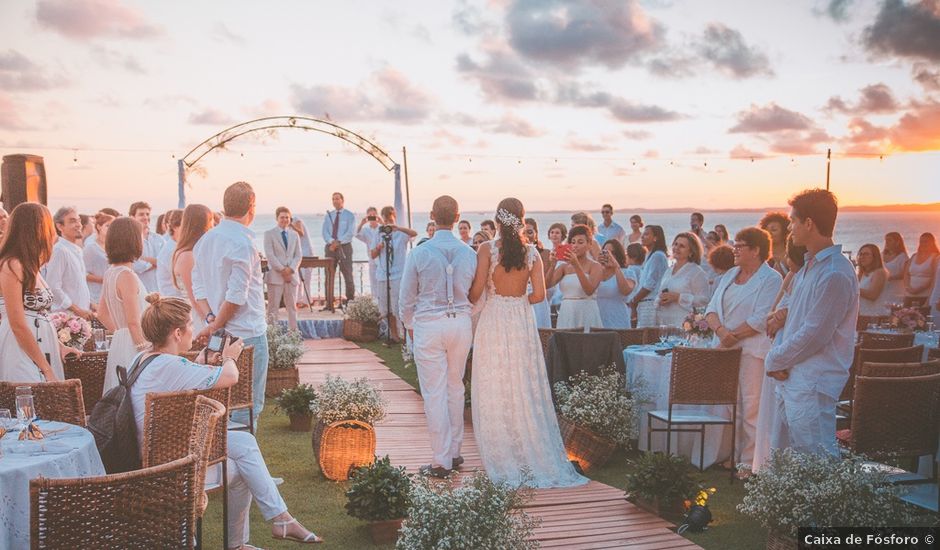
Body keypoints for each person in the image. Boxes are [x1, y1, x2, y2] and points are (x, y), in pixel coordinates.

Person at [128, 295, 322, 545]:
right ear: (177, 333)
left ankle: (260, 531)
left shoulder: (145, 358)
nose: (193, 329)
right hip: (168, 469)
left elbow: (176, 377)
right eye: (190, 324)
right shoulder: (168, 365)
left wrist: (200, 363)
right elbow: (230, 377)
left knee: (242, 459)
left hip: (155, 454)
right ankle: (274, 523)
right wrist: (230, 356)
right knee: (245, 449)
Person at [469, 198, 588, 488]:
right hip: (520, 320)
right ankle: (527, 445)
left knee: (495, 382)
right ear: (522, 220)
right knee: (522, 383)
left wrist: (488, 293)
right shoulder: (532, 252)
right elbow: (539, 296)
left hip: (495, 319)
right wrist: (518, 299)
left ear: (497, 220)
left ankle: (500, 447)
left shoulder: (486, 249)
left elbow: (474, 294)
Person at [764, 189, 858, 457]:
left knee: (818, 459)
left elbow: (815, 334)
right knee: (792, 459)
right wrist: (783, 313)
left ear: (809, 223)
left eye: (793, 220)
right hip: (794, 378)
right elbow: (799, 313)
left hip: (813, 380)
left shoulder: (834, 273)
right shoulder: (809, 267)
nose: (790, 228)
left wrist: (775, 360)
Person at [399, 195, 477, 478]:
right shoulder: (470, 253)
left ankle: (442, 461)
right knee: (455, 386)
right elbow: (475, 295)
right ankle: (454, 452)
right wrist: (466, 315)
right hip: (460, 326)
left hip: (429, 325)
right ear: (458, 218)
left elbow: (406, 297)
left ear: (432, 215)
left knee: (434, 392)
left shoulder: (419, 253)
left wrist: (409, 325)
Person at [193, 182, 269, 430]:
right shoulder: (243, 243)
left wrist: (210, 322)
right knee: (247, 408)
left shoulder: (205, 240)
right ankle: (246, 467)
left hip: (218, 334)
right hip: (247, 336)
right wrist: (215, 324)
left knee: (222, 405)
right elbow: (236, 296)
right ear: (251, 205)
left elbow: (199, 289)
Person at [705, 227, 782, 472]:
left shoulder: (771, 279)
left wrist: (732, 336)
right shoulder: (729, 275)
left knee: (751, 406)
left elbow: (761, 317)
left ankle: (750, 462)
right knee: (730, 405)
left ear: (756, 250)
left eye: (739, 246)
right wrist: (720, 332)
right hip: (724, 348)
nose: (734, 250)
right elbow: (711, 308)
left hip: (752, 351)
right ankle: (732, 455)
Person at [0, 203, 81, 381]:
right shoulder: (12, 265)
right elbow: (18, 324)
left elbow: (41, 314)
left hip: (44, 346)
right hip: (20, 350)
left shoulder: (31, 266)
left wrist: (60, 346)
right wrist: (45, 368)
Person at [754, 237, 806, 472]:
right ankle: (772, 461)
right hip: (779, 340)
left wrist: (784, 315)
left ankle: (787, 466)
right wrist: (777, 316)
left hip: (792, 343)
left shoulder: (809, 277)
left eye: (788, 255)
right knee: (775, 407)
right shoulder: (791, 276)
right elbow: (772, 310)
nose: (785, 259)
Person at [98, 217, 150, 394]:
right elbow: (133, 321)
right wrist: (145, 350)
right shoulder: (127, 276)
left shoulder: (110, 273)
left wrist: (120, 332)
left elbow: (102, 314)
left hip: (121, 342)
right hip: (134, 344)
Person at [371, 206, 416, 341]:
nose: (388, 223)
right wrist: (378, 248)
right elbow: (372, 254)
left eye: (390, 219)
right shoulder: (379, 233)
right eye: (386, 220)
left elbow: (414, 233)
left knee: (399, 305)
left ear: (394, 217)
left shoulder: (401, 233)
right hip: (383, 274)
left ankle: (405, 335)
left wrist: (398, 228)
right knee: (386, 308)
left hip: (398, 274)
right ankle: (394, 335)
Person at [547, 224, 603, 329]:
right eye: (573, 242)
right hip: (567, 311)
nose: (575, 246)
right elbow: (547, 285)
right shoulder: (564, 267)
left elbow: (589, 290)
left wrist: (576, 265)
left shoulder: (595, 266)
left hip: (587, 310)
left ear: (589, 244)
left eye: (580, 242)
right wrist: (552, 265)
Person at [45, 206, 93, 319]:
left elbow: (77, 287)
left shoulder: (77, 250)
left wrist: (90, 304)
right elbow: (53, 287)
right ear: (60, 226)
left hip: (80, 317)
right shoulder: (59, 250)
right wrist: (77, 309)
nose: (78, 225)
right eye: (72, 221)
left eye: (78, 220)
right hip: (66, 319)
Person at [173, 204, 215, 333]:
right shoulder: (187, 256)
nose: (213, 225)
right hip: (197, 318)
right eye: (211, 221)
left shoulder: (193, 252)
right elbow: (194, 297)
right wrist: (210, 325)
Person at [656, 232, 709, 327]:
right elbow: (659, 294)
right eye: (675, 244)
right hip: (665, 324)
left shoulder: (696, 272)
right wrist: (659, 300)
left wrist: (678, 297)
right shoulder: (669, 270)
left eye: (682, 246)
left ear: (691, 251)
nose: (676, 248)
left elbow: (704, 301)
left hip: (685, 325)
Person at [264, 206, 302, 331]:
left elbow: (298, 255)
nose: (285, 220)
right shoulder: (269, 234)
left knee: (292, 307)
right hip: (275, 276)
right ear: (277, 218)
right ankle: (272, 334)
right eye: (282, 217)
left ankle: (293, 333)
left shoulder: (295, 235)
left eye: (287, 217)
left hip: (291, 276)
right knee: (273, 307)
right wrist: (282, 270)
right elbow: (270, 255)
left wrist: (290, 269)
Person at [630, 225, 669, 328]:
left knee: (648, 338)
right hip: (645, 304)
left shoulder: (658, 256)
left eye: (646, 234)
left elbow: (649, 284)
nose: (642, 236)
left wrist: (634, 301)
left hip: (650, 304)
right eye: (643, 234)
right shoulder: (650, 255)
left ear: (655, 238)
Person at [322, 192, 356, 304]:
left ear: (342, 200)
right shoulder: (329, 215)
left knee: (347, 274)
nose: (335, 201)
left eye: (337, 199)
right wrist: (331, 242)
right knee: (329, 275)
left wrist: (338, 242)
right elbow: (325, 232)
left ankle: (350, 300)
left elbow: (350, 232)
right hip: (330, 248)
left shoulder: (350, 215)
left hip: (344, 247)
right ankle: (329, 301)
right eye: (333, 199)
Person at [595, 240, 636, 329]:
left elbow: (625, 291)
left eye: (612, 253)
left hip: (617, 318)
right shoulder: (596, 271)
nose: (608, 255)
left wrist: (616, 267)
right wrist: (596, 265)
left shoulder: (627, 272)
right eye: (605, 252)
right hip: (596, 318)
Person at [128, 202, 163, 292]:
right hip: (140, 292)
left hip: (160, 291)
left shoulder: (158, 239)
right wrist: (156, 263)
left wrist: (143, 258)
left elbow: (166, 263)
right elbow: (136, 267)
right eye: (141, 214)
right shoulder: (128, 241)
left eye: (147, 214)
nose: (146, 217)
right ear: (132, 217)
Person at [524, 218, 552, 329]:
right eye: (523, 232)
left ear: (536, 234)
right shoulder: (514, 256)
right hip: (521, 298)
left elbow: (547, 283)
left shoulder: (545, 254)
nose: (526, 235)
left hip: (538, 298)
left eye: (530, 232)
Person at [84, 211, 115, 305]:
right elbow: (83, 274)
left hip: (112, 294)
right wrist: (104, 279)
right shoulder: (90, 248)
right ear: (99, 227)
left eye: (113, 226)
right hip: (96, 295)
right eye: (108, 226)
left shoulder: (115, 247)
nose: (111, 229)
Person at [156, 209, 184, 299]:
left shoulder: (176, 248)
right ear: (175, 227)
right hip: (175, 303)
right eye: (185, 226)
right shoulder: (171, 250)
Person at [902, 232, 938, 302]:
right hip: (909, 294)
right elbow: (906, 274)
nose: (923, 244)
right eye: (921, 242)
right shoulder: (914, 256)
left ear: (932, 243)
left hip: (925, 295)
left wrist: (920, 288)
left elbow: (934, 277)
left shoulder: (935, 257)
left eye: (926, 242)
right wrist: (908, 287)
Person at [355, 207, 383, 297]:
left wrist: (382, 222)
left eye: (374, 215)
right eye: (370, 216)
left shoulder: (381, 228)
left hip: (382, 258)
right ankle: (375, 302)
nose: (372, 217)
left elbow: (390, 233)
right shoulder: (365, 230)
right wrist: (361, 223)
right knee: (373, 282)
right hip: (372, 258)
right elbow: (356, 234)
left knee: (382, 281)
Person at [857, 244, 889, 317]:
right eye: (861, 254)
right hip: (862, 315)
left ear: (875, 257)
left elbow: (872, 295)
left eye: (866, 254)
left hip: (875, 316)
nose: (862, 257)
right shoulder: (862, 274)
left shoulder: (880, 272)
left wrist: (852, 288)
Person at [290, 218, 314, 309]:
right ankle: (298, 300)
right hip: (297, 252)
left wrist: (291, 225)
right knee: (298, 278)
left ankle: (306, 301)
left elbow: (301, 233)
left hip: (306, 251)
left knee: (306, 278)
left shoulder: (297, 221)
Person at [760, 212, 791, 276]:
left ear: (785, 232)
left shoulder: (792, 256)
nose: (768, 233)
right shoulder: (760, 256)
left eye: (774, 230)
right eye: (766, 230)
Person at [882, 232, 909, 306]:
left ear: (897, 242)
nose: (887, 242)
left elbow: (905, 274)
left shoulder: (903, 257)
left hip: (896, 289)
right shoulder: (881, 255)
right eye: (886, 240)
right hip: (882, 288)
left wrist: (891, 277)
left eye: (889, 240)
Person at [623, 242, 646, 321]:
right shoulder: (643, 269)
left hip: (630, 304)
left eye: (626, 255)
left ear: (633, 257)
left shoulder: (631, 269)